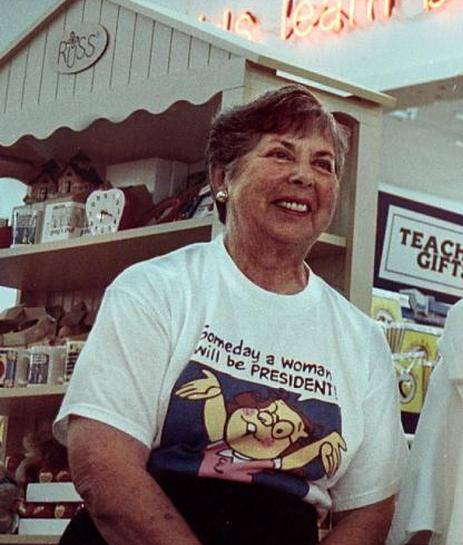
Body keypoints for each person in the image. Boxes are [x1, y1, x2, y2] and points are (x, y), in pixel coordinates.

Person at [54, 85, 407, 545]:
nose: (304, 176)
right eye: (281, 155)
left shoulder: (362, 339)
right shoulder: (155, 289)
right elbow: (103, 465)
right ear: (223, 176)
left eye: (323, 164)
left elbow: (370, 509)